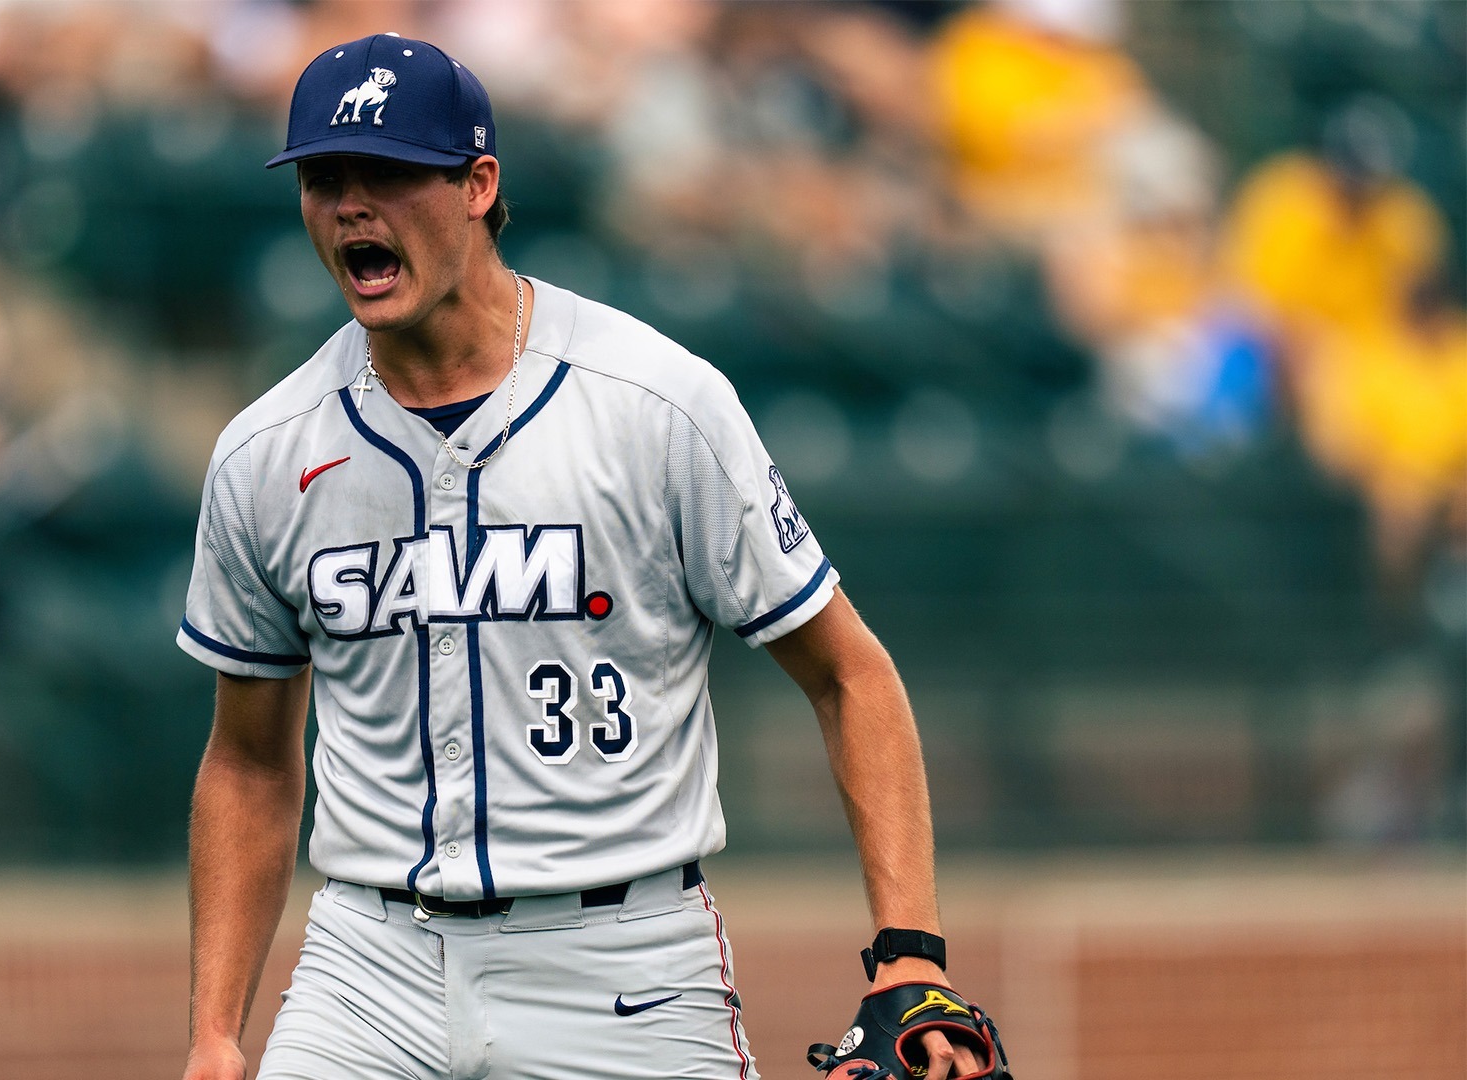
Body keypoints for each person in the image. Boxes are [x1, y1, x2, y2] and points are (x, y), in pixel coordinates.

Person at [177, 33, 998, 1080]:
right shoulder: (266, 450)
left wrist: (909, 952)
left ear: (478, 185)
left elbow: (849, 674)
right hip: (365, 970)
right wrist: (212, 1032)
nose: (349, 205)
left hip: (623, 968)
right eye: (324, 178)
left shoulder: (656, 403)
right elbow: (248, 762)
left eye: (386, 172)